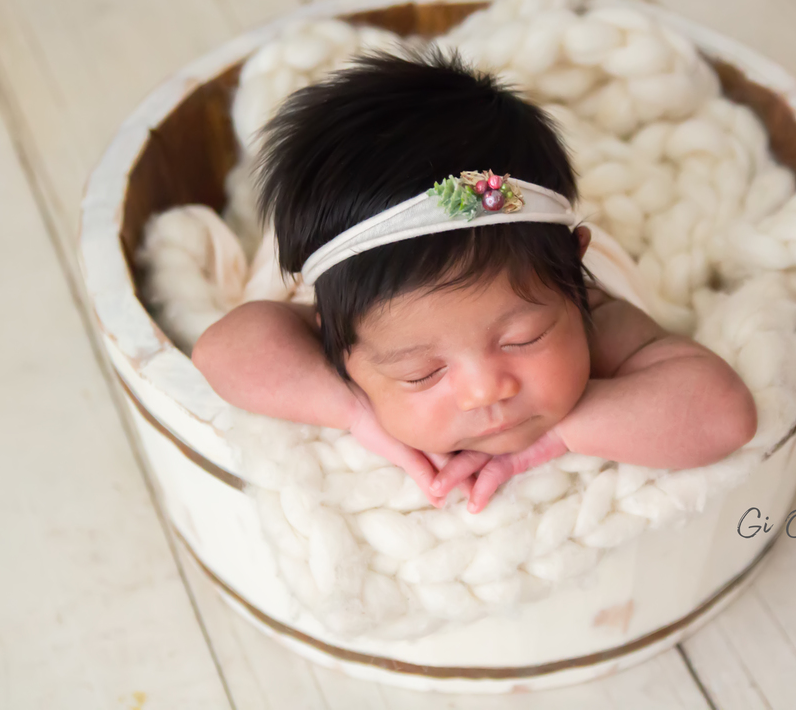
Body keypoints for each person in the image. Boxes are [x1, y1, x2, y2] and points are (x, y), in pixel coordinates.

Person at [192, 47, 757, 514]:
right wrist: (354, 412)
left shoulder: (591, 309)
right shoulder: (358, 319)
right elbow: (221, 351)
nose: (486, 390)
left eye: (524, 339)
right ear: (338, 345)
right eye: (422, 373)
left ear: (574, 274)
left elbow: (724, 413)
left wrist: (561, 433)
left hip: (510, 216)